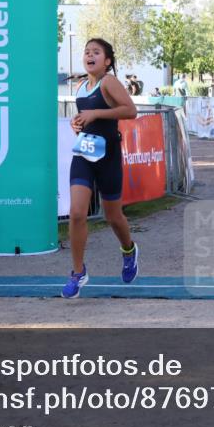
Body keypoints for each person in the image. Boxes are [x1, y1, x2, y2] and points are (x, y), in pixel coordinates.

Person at [64, 37, 140, 298]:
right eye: (87, 52)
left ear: (107, 61)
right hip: (84, 153)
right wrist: (77, 124)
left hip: (108, 156)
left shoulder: (109, 82)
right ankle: (78, 272)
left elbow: (130, 110)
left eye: (96, 52)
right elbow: (85, 119)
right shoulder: (80, 86)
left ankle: (129, 250)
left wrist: (96, 114)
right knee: (77, 212)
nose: (90, 55)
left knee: (113, 216)